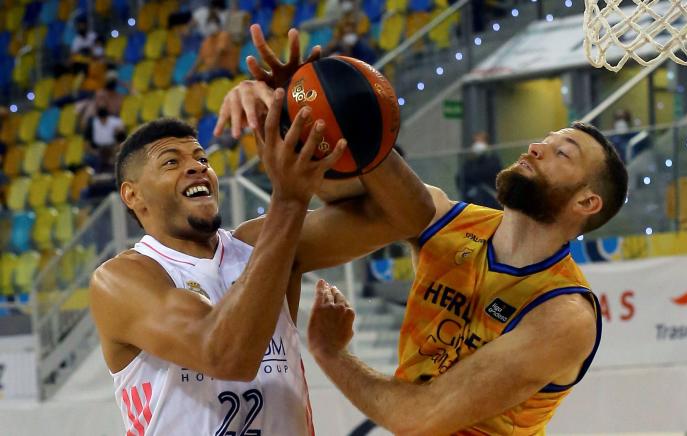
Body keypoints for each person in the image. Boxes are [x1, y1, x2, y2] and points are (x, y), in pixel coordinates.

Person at [89, 25, 435, 435]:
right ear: (133, 196)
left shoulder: (260, 242)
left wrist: (314, 114)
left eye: (202, 157)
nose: (198, 166)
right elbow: (226, 356)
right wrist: (288, 200)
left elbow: (409, 214)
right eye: (171, 161)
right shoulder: (123, 278)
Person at [304, 122, 629, 434]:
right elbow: (338, 186)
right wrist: (294, 115)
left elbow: (417, 417)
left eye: (563, 153)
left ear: (586, 202)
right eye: (545, 140)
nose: (536, 148)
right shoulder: (443, 220)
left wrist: (331, 352)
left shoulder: (563, 314)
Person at [456, 131, 503, 209]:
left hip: (492, 203)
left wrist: (474, 175)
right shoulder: (469, 162)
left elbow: (492, 173)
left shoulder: (493, 160)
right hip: (473, 203)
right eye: (476, 141)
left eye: (481, 141)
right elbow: (460, 178)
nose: (478, 144)